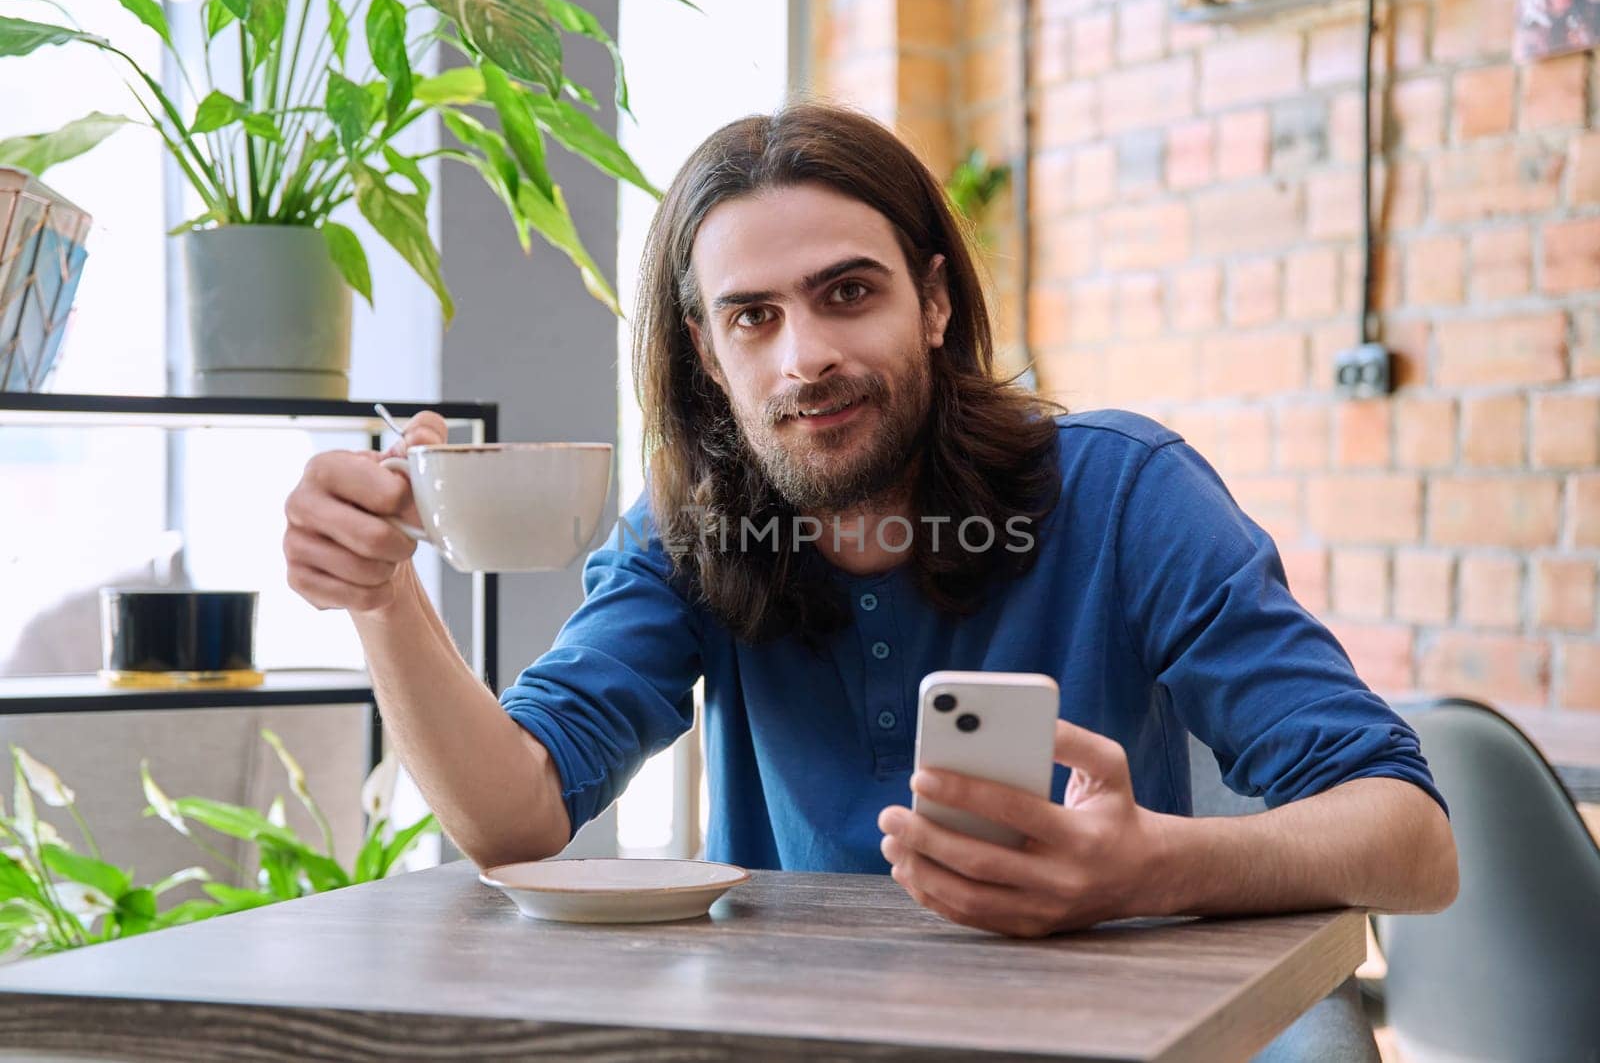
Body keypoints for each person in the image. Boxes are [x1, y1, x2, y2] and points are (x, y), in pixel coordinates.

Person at [284, 102, 1454, 943]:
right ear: (706, 352)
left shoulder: (1126, 489)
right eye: (752, 316)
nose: (806, 356)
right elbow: (517, 819)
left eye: (848, 291)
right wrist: (381, 598)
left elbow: (1409, 838)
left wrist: (1150, 865)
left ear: (934, 298)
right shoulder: (687, 528)